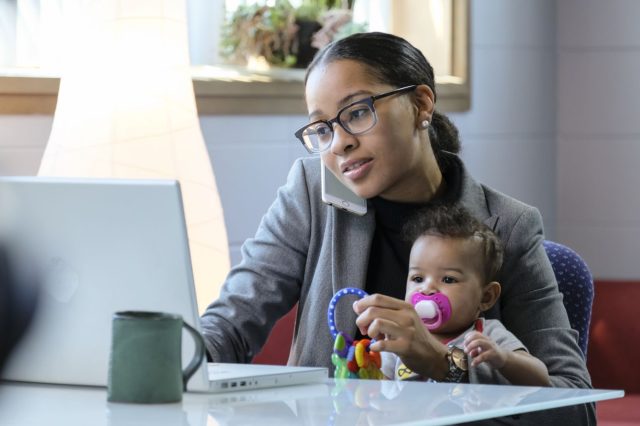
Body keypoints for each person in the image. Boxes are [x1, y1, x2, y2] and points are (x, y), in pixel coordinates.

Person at [200, 32, 594, 424]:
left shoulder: (509, 226)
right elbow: (231, 324)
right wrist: (171, 357)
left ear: (421, 104)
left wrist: (444, 364)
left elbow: (576, 408)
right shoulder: (312, 192)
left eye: (356, 112)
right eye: (322, 129)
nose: (338, 144)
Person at [377, 204, 550, 386]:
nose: (427, 289)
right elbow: (377, 391)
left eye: (448, 279)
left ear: (486, 297)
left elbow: (541, 379)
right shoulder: (401, 335)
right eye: (418, 278)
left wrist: (504, 359)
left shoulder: (487, 336)